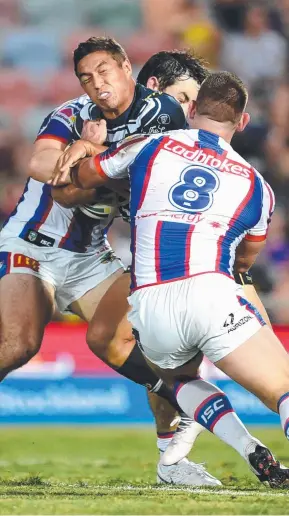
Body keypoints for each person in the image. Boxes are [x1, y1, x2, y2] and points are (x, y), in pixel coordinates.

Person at [51, 71, 289, 488]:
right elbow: (244, 261)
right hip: (210, 292)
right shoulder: (257, 187)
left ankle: (248, 447)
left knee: (181, 381)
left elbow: (85, 176)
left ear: (192, 110)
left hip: (150, 306)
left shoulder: (151, 145)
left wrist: (90, 144)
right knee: (284, 390)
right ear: (243, 122)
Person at [0, 37, 218, 486]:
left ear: (126, 66)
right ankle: (187, 402)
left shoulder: (163, 118)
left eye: (104, 72)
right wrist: (80, 151)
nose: (97, 84)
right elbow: (40, 161)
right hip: (33, 243)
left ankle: (172, 463)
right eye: (86, 77)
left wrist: (97, 156)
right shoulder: (73, 114)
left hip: (90, 257)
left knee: (149, 345)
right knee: (18, 343)